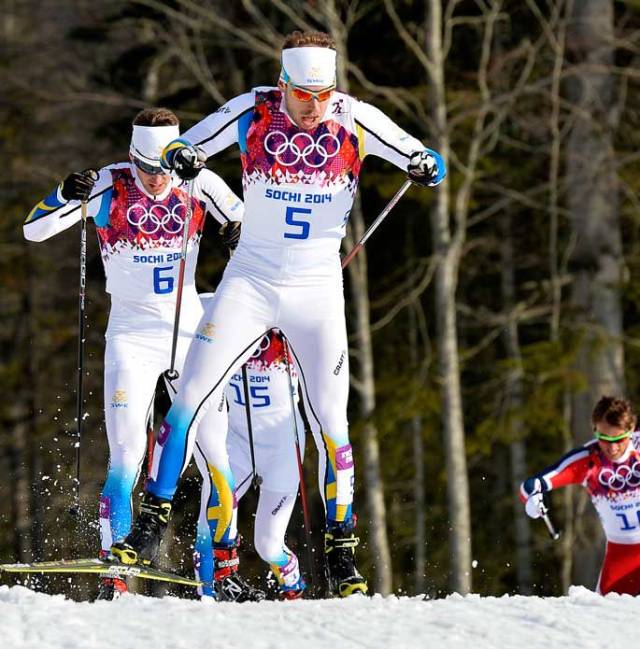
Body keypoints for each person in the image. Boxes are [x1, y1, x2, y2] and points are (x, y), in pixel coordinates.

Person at [112, 29, 445, 598]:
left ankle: (341, 551)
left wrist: (424, 163)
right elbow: (177, 149)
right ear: (283, 82)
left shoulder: (354, 117)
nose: (312, 109)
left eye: (321, 95)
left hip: (316, 291)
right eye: (301, 96)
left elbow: (422, 152)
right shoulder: (252, 110)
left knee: (332, 427)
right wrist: (184, 155)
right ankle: (149, 522)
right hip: (252, 280)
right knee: (189, 396)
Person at [23, 107, 245, 600]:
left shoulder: (198, 179)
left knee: (217, 455)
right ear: (131, 157)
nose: (158, 181)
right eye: (148, 170)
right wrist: (63, 194)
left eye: (165, 169)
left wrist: (237, 236)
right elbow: (33, 231)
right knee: (127, 454)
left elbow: (246, 222)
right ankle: (115, 572)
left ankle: (222, 572)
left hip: (191, 332)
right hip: (132, 335)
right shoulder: (108, 184)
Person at [194, 326, 307, 600]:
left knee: (268, 546)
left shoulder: (291, 321)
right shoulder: (229, 313)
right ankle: (207, 595)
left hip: (282, 451)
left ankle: (291, 579)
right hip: (237, 443)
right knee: (210, 519)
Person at [520, 395, 640, 596]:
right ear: (594, 430)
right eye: (604, 439)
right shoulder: (587, 460)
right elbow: (532, 485)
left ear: (631, 429)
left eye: (619, 439)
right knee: (607, 618)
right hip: (622, 555)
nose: (612, 448)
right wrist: (533, 499)